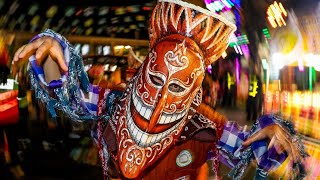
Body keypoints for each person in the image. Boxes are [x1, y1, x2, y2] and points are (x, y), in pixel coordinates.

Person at [12, 0, 307, 179]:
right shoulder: (112, 104)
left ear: (193, 91)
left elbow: (250, 146)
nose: (161, 98)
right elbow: (68, 92)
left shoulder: (203, 127)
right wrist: (52, 54)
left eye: (178, 86)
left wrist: (273, 137)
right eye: (155, 79)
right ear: (143, 71)